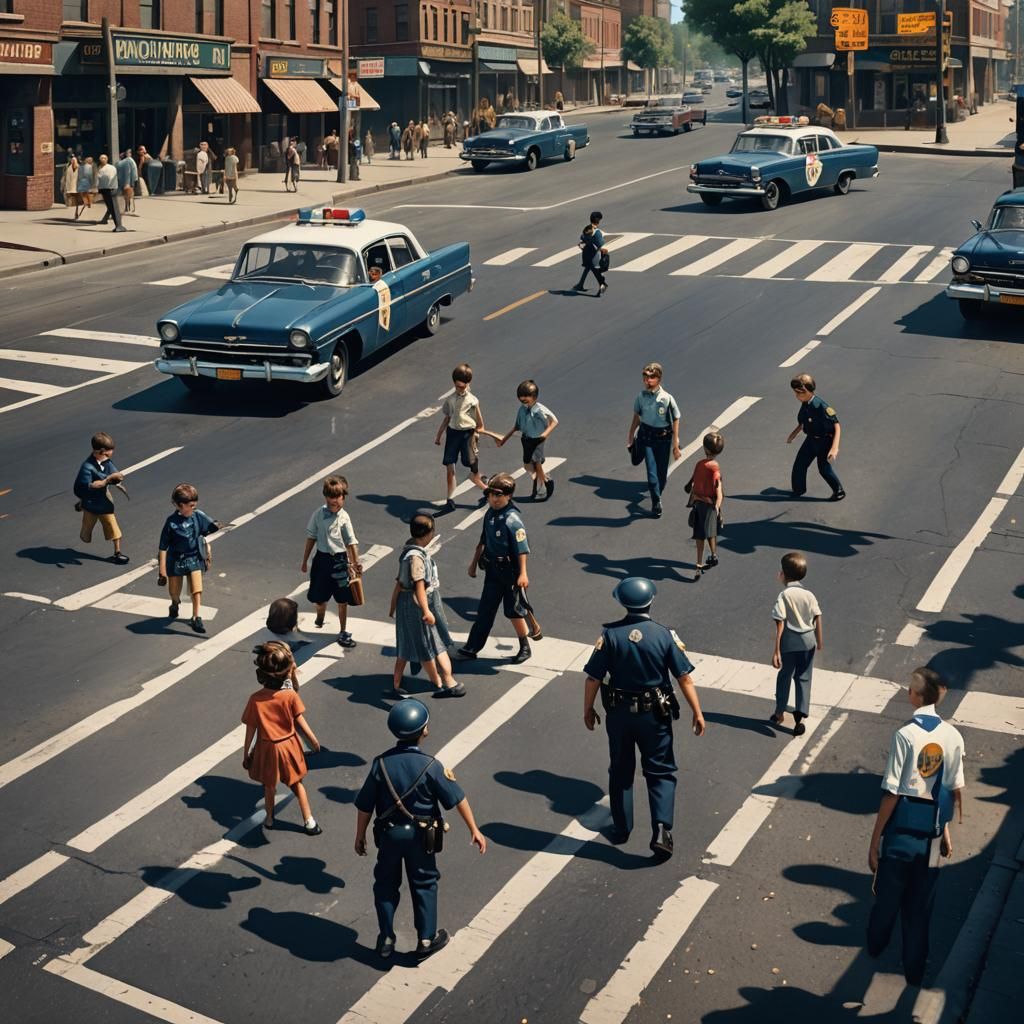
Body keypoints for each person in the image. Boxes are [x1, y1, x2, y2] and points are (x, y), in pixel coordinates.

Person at [582, 578, 706, 858]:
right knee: (660, 771)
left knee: (622, 770)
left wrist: (588, 709)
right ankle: (662, 829)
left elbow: (593, 678)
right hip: (654, 715)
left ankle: (622, 828)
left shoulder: (610, 635)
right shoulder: (664, 635)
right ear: (650, 601)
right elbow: (684, 677)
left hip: (620, 715)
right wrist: (697, 711)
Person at [354, 699, 486, 960]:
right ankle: (426, 939)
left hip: (389, 835)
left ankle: (386, 937)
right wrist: (474, 829)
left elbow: (365, 806)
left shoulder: (379, 765)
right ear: (423, 731)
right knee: (424, 883)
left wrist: (359, 835)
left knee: (385, 884)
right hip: (421, 837)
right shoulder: (431, 766)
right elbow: (457, 798)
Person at [867, 668, 964, 987]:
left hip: (900, 833)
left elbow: (892, 792)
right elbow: (951, 790)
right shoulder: (953, 737)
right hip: (933, 835)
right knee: (920, 907)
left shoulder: (905, 735)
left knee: (888, 896)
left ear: (917, 696)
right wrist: (946, 832)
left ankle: (877, 942)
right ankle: (914, 969)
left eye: (910, 688)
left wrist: (875, 838)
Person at [243, 642, 322, 835]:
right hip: (289, 745)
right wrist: (315, 743)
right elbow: (301, 723)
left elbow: (250, 731)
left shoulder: (255, 699)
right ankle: (309, 821)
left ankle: (269, 819)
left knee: (269, 786)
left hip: (267, 747)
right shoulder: (290, 696)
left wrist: (246, 755)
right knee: (297, 784)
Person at [454, 473, 534, 665]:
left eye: (498, 495)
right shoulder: (490, 514)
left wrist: (523, 573)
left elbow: (522, 549)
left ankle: (525, 646)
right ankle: (472, 647)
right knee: (485, 610)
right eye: (490, 495)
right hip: (492, 569)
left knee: (513, 611)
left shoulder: (513, 520)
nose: (493, 499)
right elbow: (482, 540)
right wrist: (474, 563)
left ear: (508, 496)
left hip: (510, 571)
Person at [387, 514, 465, 700]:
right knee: (428, 646)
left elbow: (399, 583)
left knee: (408, 643)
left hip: (408, 602)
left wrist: (392, 606)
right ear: (429, 534)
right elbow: (419, 587)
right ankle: (442, 683)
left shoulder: (409, 552)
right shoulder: (417, 558)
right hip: (415, 605)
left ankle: (398, 683)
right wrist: (426, 610)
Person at [300, 475, 362, 649]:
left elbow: (351, 542)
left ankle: (343, 631)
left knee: (342, 600)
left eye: (337, 498)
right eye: (330, 498)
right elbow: (311, 536)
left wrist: (356, 563)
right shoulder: (318, 514)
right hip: (322, 560)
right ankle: (320, 615)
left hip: (340, 561)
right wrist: (304, 560)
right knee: (319, 598)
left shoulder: (344, 518)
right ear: (325, 496)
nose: (334, 502)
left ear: (344, 497)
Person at [770, 552, 822, 736]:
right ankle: (800, 715)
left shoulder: (784, 595)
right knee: (804, 677)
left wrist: (776, 650)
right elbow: (817, 616)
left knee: (785, 675)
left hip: (790, 642)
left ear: (783, 574)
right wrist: (819, 640)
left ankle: (779, 712)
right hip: (809, 641)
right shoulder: (809, 595)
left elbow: (780, 622)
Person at [157, 483, 221, 634]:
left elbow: (211, 525)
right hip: (176, 560)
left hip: (194, 557)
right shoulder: (171, 522)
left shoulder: (197, 515)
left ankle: (196, 617)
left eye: (194, 505)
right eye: (190, 505)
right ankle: (174, 603)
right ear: (180, 505)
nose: (193, 508)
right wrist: (162, 571)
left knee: (196, 589)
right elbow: (162, 547)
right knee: (174, 590)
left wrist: (216, 526)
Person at [434, 362, 493, 513]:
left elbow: (480, 423)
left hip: (467, 435)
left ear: (468, 383)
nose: (461, 389)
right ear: (454, 383)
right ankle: (450, 499)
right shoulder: (450, 400)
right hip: (453, 433)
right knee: (449, 466)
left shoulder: (473, 400)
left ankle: (484, 485)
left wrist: (476, 435)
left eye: (463, 386)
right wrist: (439, 435)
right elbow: (447, 418)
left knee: (470, 463)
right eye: (458, 386)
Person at [626, 363, 682, 519]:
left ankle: (658, 491)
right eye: (645, 376)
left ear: (659, 378)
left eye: (651, 377)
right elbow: (637, 417)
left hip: (663, 439)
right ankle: (656, 502)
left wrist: (675, 445)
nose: (647, 380)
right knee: (652, 475)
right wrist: (630, 436)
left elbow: (676, 419)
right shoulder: (641, 397)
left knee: (662, 474)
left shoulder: (667, 398)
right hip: (646, 437)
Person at [496, 379, 559, 501]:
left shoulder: (539, 410)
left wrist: (544, 435)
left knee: (537, 462)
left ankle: (544, 486)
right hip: (525, 439)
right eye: (520, 396)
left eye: (526, 396)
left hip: (537, 440)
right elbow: (516, 426)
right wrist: (504, 439)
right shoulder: (522, 410)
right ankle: (543, 479)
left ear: (534, 396)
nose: (523, 399)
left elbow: (554, 421)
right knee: (527, 464)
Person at [785, 373, 845, 501]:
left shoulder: (821, 406)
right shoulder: (805, 403)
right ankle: (799, 489)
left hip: (825, 441)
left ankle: (839, 491)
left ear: (807, 391)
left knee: (823, 469)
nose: (796, 396)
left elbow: (837, 425)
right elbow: (803, 422)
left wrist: (834, 448)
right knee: (800, 464)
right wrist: (793, 434)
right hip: (811, 440)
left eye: (798, 393)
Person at [73, 431, 129, 564]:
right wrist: (107, 479)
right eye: (110, 451)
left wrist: (117, 478)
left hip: (104, 502)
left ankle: (117, 552)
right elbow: (86, 486)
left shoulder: (106, 462)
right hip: (91, 502)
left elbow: (115, 473)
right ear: (102, 451)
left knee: (113, 527)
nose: (112, 453)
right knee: (86, 532)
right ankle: (82, 504)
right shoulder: (87, 467)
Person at [686, 431, 724, 578]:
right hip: (711, 506)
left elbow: (693, 481)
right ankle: (714, 554)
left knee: (699, 536)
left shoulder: (701, 464)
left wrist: (689, 487)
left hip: (700, 505)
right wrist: (717, 505)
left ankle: (698, 565)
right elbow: (718, 488)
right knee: (711, 533)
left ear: (705, 449)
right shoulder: (715, 467)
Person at [574, 211, 608, 295]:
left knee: (588, 267)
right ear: (598, 220)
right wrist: (602, 250)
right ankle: (603, 285)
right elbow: (600, 244)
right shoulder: (597, 232)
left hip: (586, 254)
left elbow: (581, 241)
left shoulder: (586, 229)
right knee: (597, 270)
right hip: (594, 255)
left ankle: (580, 284)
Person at [96, 154, 126, 232]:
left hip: (111, 189)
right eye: (101, 158)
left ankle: (119, 225)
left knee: (114, 207)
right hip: (103, 189)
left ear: (107, 159)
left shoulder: (111, 168)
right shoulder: (99, 168)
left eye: (104, 158)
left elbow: (110, 177)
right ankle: (105, 219)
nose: (102, 159)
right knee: (110, 206)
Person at [116, 149, 138, 215]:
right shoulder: (128, 161)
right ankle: (128, 209)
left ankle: (128, 209)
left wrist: (127, 182)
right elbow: (129, 172)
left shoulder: (125, 161)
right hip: (129, 181)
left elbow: (128, 172)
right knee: (128, 195)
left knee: (127, 195)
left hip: (127, 181)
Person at [62, 155, 82, 220]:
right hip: (70, 187)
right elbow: (66, 179)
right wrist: (66, 188)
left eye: (74, 160)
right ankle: (74, 214)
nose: (73, 162)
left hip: (77, 187)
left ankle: (77, 213)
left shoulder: (79, 168)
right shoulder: (68, 169)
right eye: (72, 160)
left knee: (77, 201)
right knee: (72, 201)